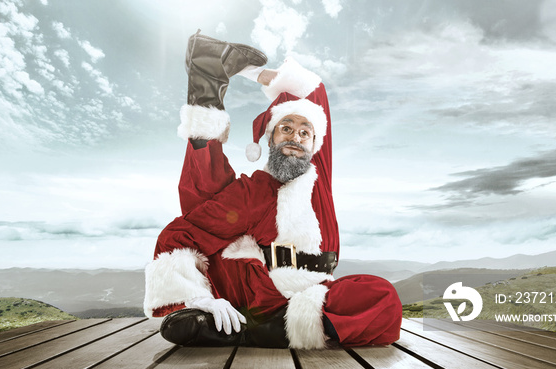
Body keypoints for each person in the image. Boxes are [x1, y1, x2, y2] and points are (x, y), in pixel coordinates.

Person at [143, 30, 402, 349]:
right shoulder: (257, 190)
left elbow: (314, 90)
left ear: (315, 143)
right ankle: (213, 314)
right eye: (286, 129)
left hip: (315, 295)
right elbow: (183, 232)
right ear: (271, 138)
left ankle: (249, 331)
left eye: (304, 132)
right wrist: (197, 296)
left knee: (383, 296)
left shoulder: (318, 172)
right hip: (267, 296)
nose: (296, 137)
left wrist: (249, 71)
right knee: (207, 190)